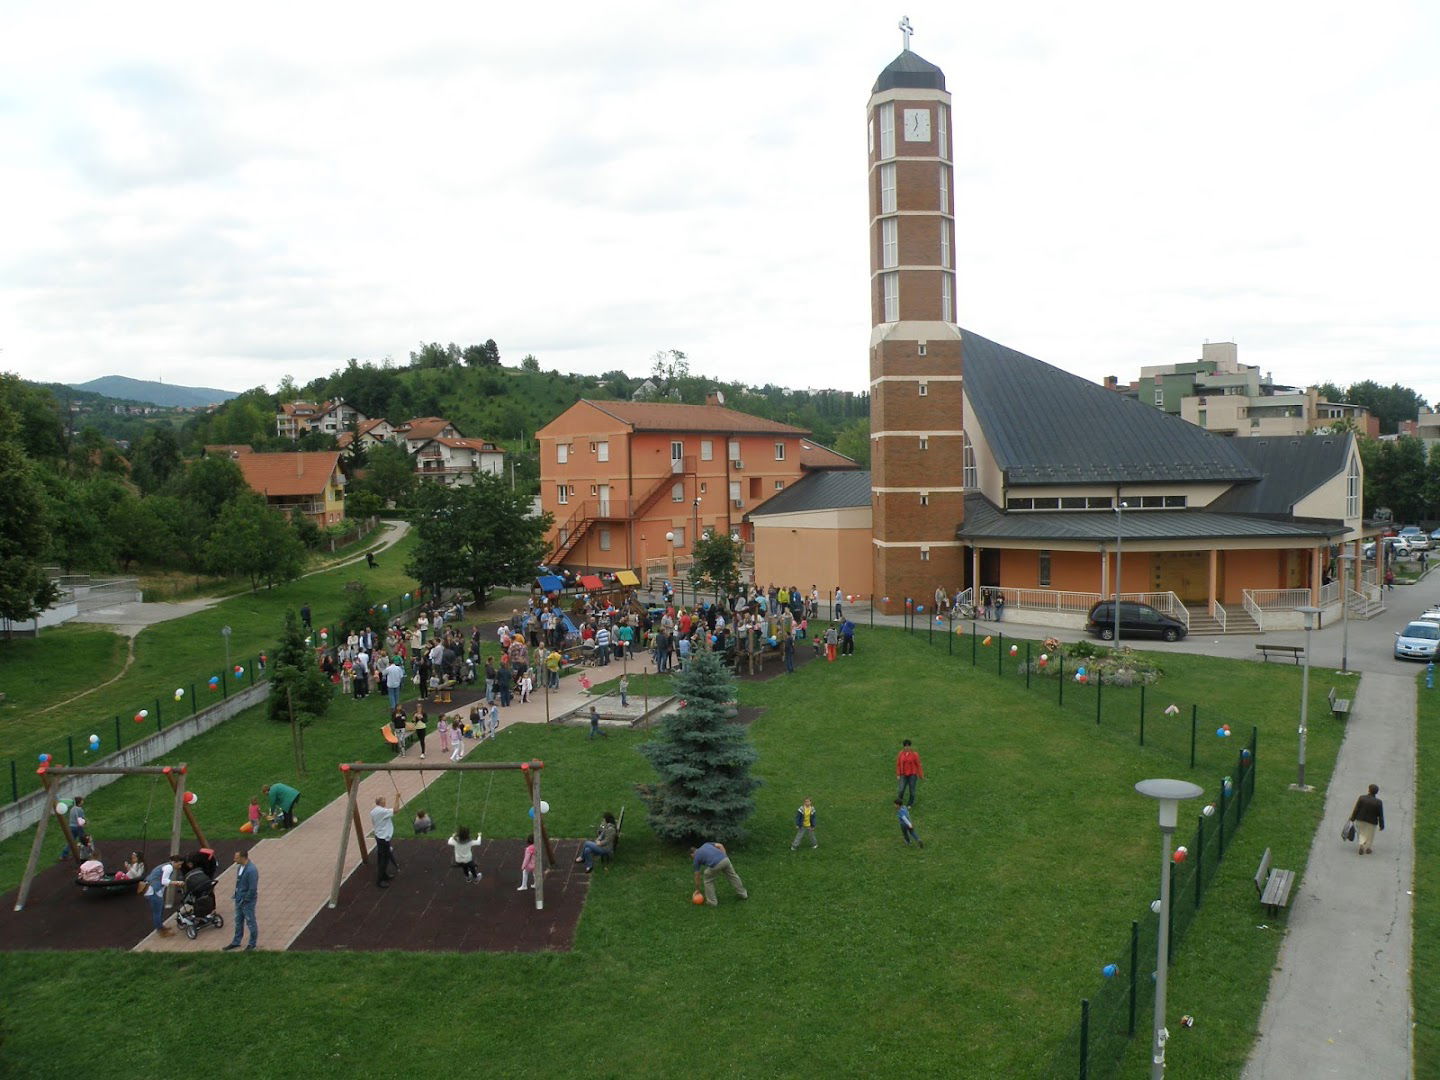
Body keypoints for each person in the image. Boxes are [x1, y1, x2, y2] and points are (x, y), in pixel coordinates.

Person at [222, 849, 259, 951]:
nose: (234, 859)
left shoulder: (251, 870)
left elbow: (252, 888)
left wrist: (246, 900)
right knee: (238, 921)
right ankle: (236, 941)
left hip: (247, 902)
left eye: (236, 857)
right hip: (239, 899)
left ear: (243, 857)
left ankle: (252, 944)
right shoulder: (239, 867)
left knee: (250, 922)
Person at [691, 841, 747, 906]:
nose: (692, 858)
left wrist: (697, 889)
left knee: (707, 880)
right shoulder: (706, 844)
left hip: (715, 864)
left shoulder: (696, 858)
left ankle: (712, 902)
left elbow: (697, 876)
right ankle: (743, 894)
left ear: (692, 854)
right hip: (725, 859)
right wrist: (724, 856)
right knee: (733, 876)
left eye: (692, 857)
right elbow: (720, 845)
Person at [143, 854, 184, 936]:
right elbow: (164, 881)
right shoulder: (169, 868)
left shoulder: (165, 865)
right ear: (174, 862)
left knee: (160, 909)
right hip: (153, 891)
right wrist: (177, 882)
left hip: (153, 890)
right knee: (157, 912)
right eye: (179, 864)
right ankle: (161, 931)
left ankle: (161, 927)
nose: (180, 867)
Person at [1349, 784, 1385, 855]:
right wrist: (1381, 825)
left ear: (1368, 790)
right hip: (1372, 822)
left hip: (1360, 819)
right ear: (1376, 792)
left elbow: (1356, 809)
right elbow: (1380, 815)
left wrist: (1352, 818)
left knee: (1361, 833)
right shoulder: (1379, 802)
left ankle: (1361, 846)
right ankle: (1368, 848)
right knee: (1370, 835)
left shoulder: (1362, 798)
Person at [371, 796, 399, 888]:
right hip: (383, 838)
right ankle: (380, 880)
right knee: (384, 860)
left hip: (379, 836)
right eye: (384, 801)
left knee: (381, 857)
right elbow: (396, 810)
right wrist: (397, 798)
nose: (385, 802)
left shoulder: (374, 811)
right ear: (381, 802)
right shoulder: (382, 812)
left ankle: (384, 875)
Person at [896, 740, 924, 807]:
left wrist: (921, 774)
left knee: (912, 790)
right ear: (904, 747)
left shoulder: (914, 754)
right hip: (903, 774)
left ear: (910, 746)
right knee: (901, 789)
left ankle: (910, 803)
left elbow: (918, 765)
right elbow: (898, 764)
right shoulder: (900, 754)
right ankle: (899, 802)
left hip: (912, 775)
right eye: (905, 746)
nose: (907, 747)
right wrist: (898, 774)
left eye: (908, 746)